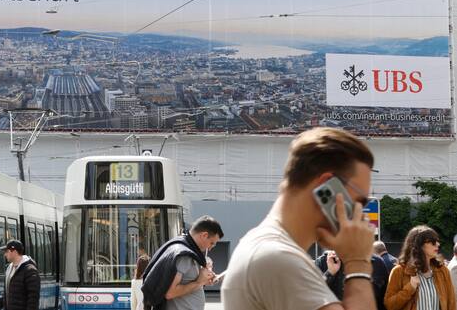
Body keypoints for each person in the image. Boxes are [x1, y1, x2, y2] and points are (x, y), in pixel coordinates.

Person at [221, 128, 376, 310]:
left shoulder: (262, 246)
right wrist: (358, 263)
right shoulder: (278, 259)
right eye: (360, 201)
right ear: (327, 187)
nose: (361, 213)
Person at [141, 216, 222, 310]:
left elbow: (186, 281)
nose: (211, 248)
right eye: (211, 243)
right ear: (204, 235)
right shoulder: (184, 256)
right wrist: (199, 282)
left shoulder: (185, 248)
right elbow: (170, 293)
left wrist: (204, 280)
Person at [384, 225, 454, 310]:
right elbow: (390, 305)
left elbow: (451, 303)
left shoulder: (443, 270)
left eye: (437, 241)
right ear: (418, 245)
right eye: (432, 242)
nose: (437, 244)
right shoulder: (399, 271)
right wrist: (410, 287)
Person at [315, 249, 389, 310]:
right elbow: (314, 295)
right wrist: (330, 273)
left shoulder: (376, 262)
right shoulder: (323, 261)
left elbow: (381, 297)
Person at [0, 240, 40, 310]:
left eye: (7, 251)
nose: (5, 255)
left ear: (14, 252)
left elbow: (33, 298)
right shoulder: (9, 269)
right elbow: (7, 293)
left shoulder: (30, 270)